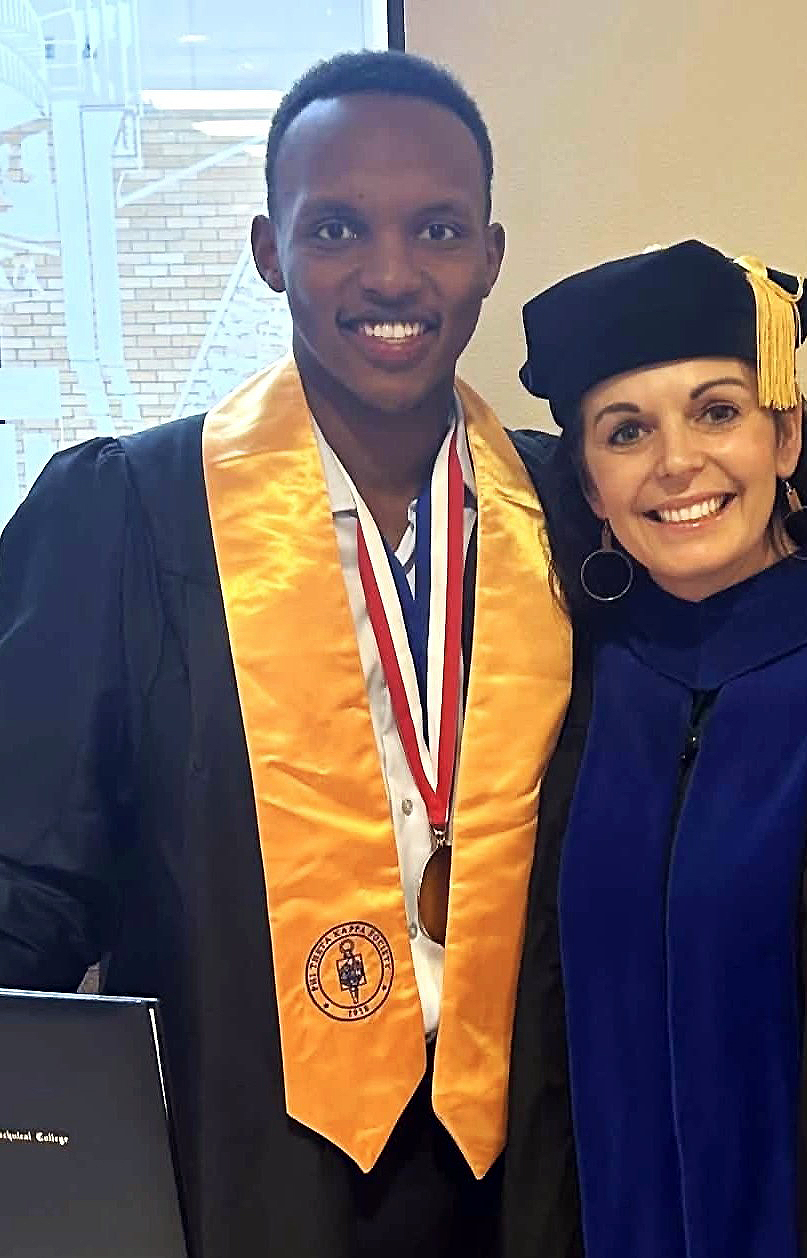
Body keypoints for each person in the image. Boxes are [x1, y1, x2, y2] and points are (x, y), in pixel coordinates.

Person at [0, 51, 576, 1258]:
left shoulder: (569, 517)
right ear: (268, 251)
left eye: (435, 228)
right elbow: (26, 889)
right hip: (237, 1164)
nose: (389, 273)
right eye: (335, 228)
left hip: (531, 1167)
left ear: (489, 256)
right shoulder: (127, 515)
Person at [513, 239, 807, 1258]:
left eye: (715, 411)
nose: (676, 461)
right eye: (624, 430)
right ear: (587, 485)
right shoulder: (573, 687)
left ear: (782, 435)